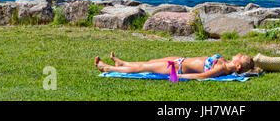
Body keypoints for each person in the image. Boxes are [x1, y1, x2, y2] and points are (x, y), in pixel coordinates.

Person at [95, 52, 256, 80]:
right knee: (150, 62)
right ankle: (123, 63)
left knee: (144, 68)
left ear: (238, 67)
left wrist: (179, 76)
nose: (240, 54)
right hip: (179, 60)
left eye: (242, 57)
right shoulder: (224, 61)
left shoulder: (221, 69)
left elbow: (201, 76)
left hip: (177, 68)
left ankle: (108, 68)